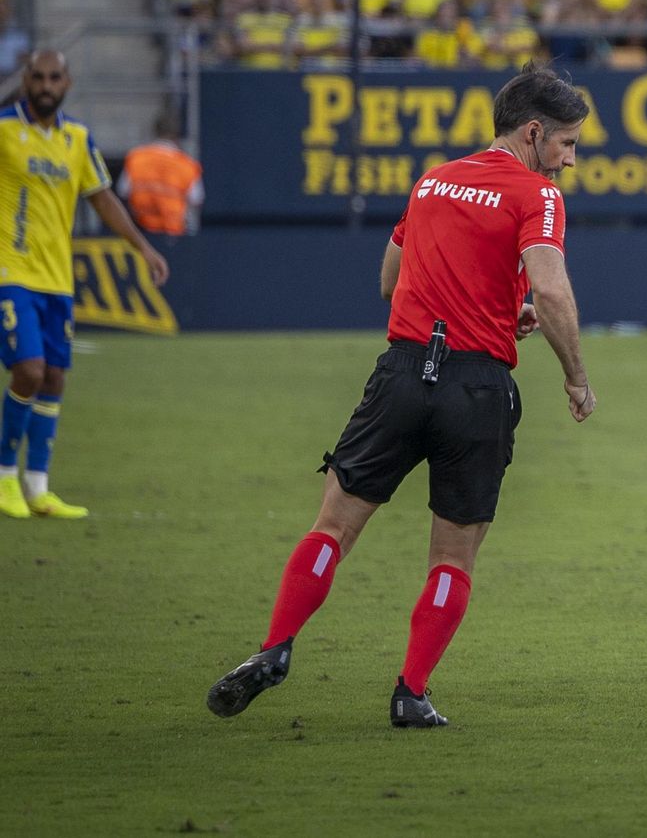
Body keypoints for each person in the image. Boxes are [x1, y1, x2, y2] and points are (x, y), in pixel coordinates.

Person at [207, 64, 595, 728]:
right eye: (567, 143)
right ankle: (411, 692)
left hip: (402, 374)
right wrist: (575, 376)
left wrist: (492, 308)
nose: (570, 158)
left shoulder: (432, 180)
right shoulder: (538, 196)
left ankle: (274, 648)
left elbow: (390, 281)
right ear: (534, 132)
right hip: (475, 388)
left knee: (332, 525)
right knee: (452, 555)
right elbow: (552, 290)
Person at [0, 51, 171, 520]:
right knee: (29, 371)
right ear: (26, 81)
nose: (46, 85)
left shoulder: (77, 139)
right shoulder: (4, 130)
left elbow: (102, 198)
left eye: (55, 77)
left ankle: (38, 487)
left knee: (54, 377)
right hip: (11, 274)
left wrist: (144, 249)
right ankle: (4, 477)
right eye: (38, 77)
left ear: (68, 82)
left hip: (58, 280)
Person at [118, 115, 205, 237]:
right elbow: (196, 199)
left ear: (155, 132)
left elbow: (123, 191)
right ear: (176, 136)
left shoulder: (136, 158)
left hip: (140, 230)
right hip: (173, 233)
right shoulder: (187, 165)